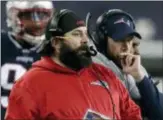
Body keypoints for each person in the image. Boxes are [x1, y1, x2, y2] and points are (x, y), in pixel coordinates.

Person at [5, 9, 142, 120]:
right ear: (56, 43)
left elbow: (132, 114)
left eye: (85, 34)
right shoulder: (29, 84)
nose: (84, 41)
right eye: (76, 34)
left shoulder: (106, 75)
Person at [88, 9, 163, 120]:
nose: (126, 46)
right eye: (119, 40)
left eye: (129, 40)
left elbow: (159, 114)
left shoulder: (133, 67)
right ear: (102, 40)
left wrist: (140, 77)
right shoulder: (88, 69)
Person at [1, 1, 54, 120]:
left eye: (43, 16)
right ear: (14, 16)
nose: (38, 23)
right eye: (31, 16)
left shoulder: (55, 51)